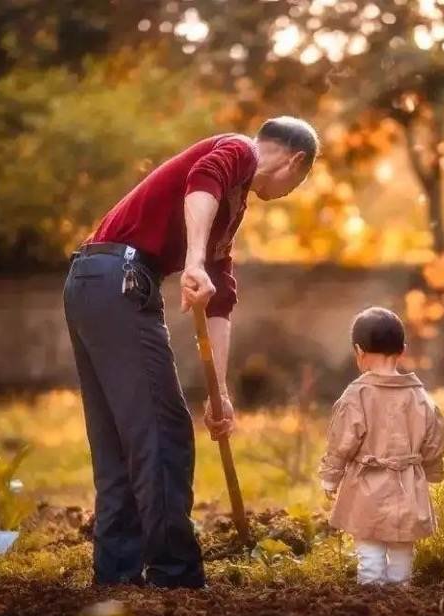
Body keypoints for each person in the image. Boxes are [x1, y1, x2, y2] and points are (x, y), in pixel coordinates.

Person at [64, 117, 319, 587]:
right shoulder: (240, 152)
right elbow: (203, 178)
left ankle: (117, 575)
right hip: (118, 280)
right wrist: (194, 262)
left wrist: (219, 392)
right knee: (164, 431)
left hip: (91, 282)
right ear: (295, 161)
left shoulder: (230, 210)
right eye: (296, 184)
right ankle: (175, 575)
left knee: (122, 440)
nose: (287, 192)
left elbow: (220, 297)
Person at [318, 307, 444, 585]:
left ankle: (371, 598)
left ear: (359, 351)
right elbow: (435, 440)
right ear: (403, 350)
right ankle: (401, 595)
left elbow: (342, 442)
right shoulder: (421, 396)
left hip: (366, 487)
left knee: (369, 546)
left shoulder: (357, 395)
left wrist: (330, 478)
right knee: (403, 546)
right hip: (408, 486)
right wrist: (431, 470)